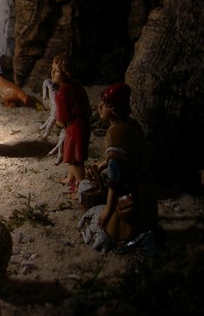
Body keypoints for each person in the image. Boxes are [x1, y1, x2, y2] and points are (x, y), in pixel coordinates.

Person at [94, 82, 160, 248]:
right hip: (146, 189)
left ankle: (138, 240)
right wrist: (105, 164)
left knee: (112, 231)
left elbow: (116, 177)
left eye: (105, 105)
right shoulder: (133, 125)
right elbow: (130, 156)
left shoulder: (114, 132)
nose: (100, 107)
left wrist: (108, 209)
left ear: (114, 109)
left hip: (130, 194)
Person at [51, 54, 91, 191]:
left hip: (73, 127)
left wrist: (59, 122)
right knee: (77, 154)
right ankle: (70, 178)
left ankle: (82, 186)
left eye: (57, 71)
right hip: (84, 124)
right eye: (52, 69)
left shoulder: (61, 93)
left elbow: (62, 116)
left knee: (73, 159)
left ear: (67, 73)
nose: (52, 73)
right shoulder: (78, 87)